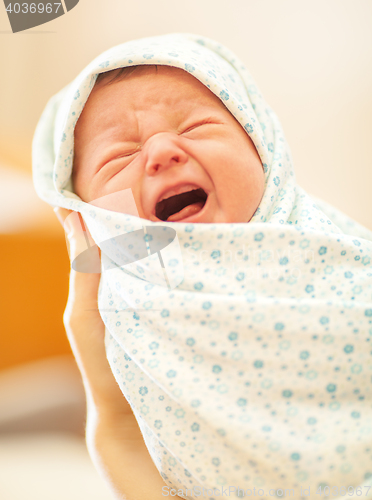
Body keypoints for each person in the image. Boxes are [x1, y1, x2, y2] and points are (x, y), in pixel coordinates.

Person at [34, 33, 372, 500]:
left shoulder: (331, 249)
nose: (161, 153)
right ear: (92, 219)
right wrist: (109, 410)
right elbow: (129, 438)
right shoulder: (120, 310)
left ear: (263, 147)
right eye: (120, 156)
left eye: (194, 127)